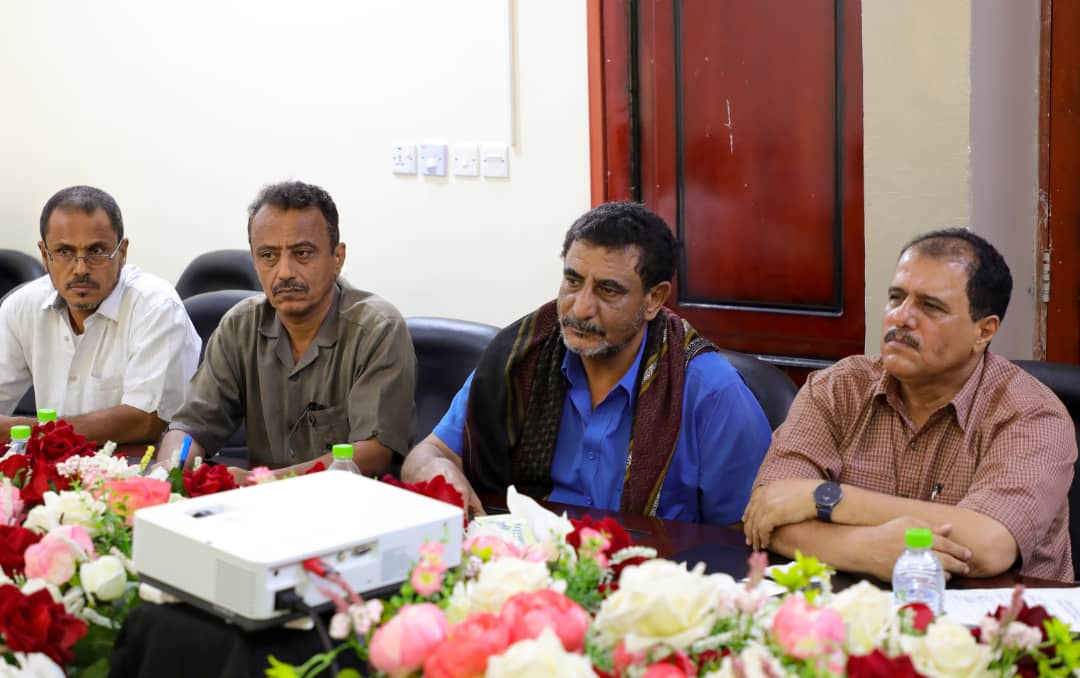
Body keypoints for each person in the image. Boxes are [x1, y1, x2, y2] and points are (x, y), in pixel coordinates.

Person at [402, 201, 772, 523]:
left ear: (653, 299)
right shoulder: (518, 359)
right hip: (525, 563)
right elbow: (427, 454)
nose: (580, 308)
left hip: (654, 572)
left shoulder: (711, 392)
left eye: (608, 290)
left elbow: (744, 532)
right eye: (573, 282)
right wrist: (438, 471)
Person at [743, 229, 1077, 583]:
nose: (901, 317)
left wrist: (826, 499)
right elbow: (767, 515)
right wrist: (864, 550)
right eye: (896, 297)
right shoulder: (838, 387)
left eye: (931, 306)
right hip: (859, 609)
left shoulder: (1032, 413)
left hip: (1000, 613)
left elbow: (988, 546)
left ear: (983, 332)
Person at [158, 181, 415, 479]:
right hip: (258, 500)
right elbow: (191, 426)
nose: (284, 273)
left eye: (302, 253)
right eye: (268, 256)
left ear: (337, 258)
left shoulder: (377, 329)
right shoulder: (239, 325)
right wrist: (169, 473)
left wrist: (263, 482)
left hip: (353, 501)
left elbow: (373, 454)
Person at [0, 186, 200, 443]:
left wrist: (27, 431)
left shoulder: (157, 307)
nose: (80, 269)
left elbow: (144, 422)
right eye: (64, 252)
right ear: (45, 255)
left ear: (122, 252)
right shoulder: (22, 307)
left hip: (142, 462)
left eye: (96, 251)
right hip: (51, 462)